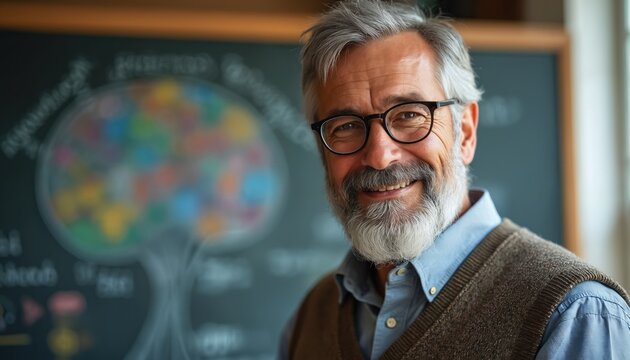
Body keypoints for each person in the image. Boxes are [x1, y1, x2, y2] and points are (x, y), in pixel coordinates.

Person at [279, 0, 630, 359]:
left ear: (465, 132)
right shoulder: (311, 316)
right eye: (347, 126)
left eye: (410, 115)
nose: (380, 156)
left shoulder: (572, 315)